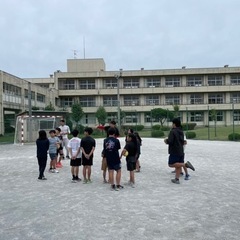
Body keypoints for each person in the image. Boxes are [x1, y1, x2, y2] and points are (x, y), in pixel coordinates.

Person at [164, 118, 195, 184]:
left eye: (172, 123)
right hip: (181, 150)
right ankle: (177, 179)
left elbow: (171, 141)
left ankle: (185, 164)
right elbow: (183, 141)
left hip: (174, 150)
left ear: (174, 124)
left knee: (171, 164)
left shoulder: (173, 131)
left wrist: (166, 141)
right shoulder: (181, 131)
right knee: (178, 165)